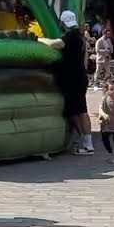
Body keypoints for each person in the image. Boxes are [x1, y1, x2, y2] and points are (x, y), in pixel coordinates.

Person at [41, 10, 93, 156]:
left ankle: (87, 143)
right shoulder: (80, 36)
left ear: (63, 23)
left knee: (77, 111)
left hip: (72, 79)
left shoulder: (71, 37)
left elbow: (55, 44)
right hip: (79, 76)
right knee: (80, 110)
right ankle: (86, 141)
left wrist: (39, 39)